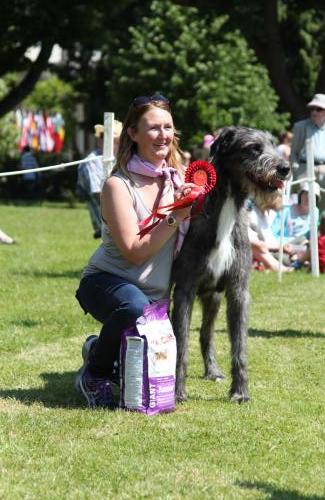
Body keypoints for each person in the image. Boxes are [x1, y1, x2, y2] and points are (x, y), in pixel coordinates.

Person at [74, 94, 194, 409]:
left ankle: (100, 349)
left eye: (167, 127)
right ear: (133, 133)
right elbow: (134, 252)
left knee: (139, 365)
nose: (163, 135)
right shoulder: (117, 186)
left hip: (154, 296)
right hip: (106, 283)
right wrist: (176, 215)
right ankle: (95, 374)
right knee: (136, 311)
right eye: (153, 128)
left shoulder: (177, 182)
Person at [76, 120, 122, 238]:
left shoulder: (122, 159)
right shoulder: (93, 161)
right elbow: (99, 194)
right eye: (102, 137)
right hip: (107, 224)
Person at [290, 93, 325, 210]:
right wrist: (296, 169)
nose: (314, 112)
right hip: (305, 169)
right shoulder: (300, 126)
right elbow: (294, 152)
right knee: (304, 205)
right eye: (312, 109)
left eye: (319, 109)